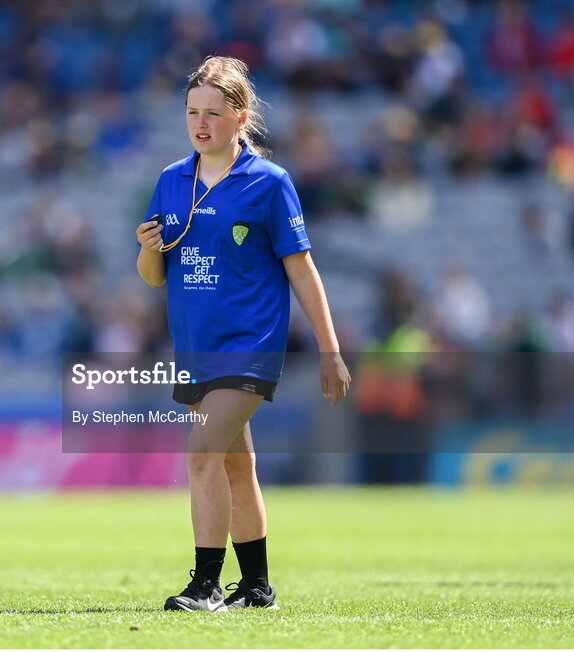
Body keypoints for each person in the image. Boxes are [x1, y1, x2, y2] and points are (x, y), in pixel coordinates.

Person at [136, 57, 350, 612]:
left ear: (241, 115)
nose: (200, 123)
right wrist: (146, 249)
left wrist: (330, 351)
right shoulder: (170, 180)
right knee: (235, 463)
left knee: (204, 452)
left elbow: (302, 269)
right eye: (191, 113)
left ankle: (204, 584)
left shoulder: (270, 184)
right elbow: (155, 275)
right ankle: (257, 587)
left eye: (212, 112)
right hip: (195, 348)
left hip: (250, 345)